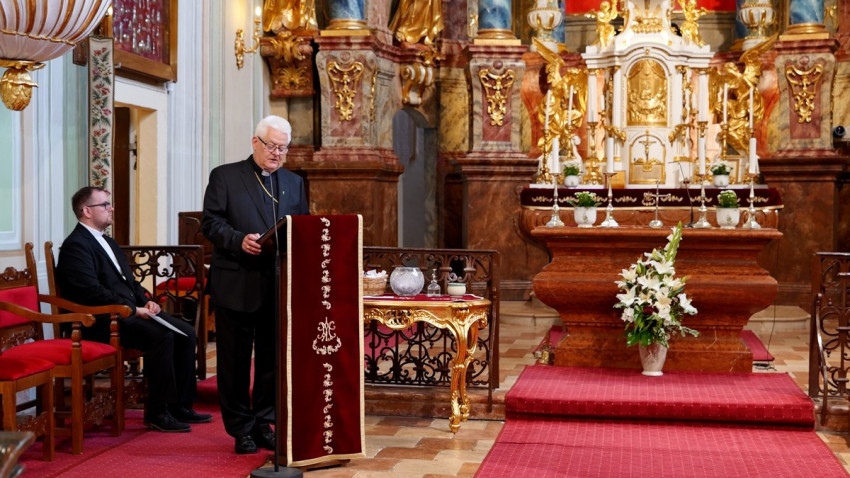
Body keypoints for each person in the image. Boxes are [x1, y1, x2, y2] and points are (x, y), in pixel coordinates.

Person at [57, 186, 210, 433]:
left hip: (126, 313)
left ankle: (180, 405)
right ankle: (158, 412)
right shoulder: (75, 246)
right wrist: (132, 309)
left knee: (186, 333)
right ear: (86, 211)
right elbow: (90, 292)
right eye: (104, 204)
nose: (111, 208)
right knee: (162, 335)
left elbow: (130, 282)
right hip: (99, 320)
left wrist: (147, 300)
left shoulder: (108, 241)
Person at [201, 115, 309, 454]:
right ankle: (240, 429)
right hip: (236, 280)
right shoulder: (225, 176)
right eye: (272, 146)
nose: (277, 153)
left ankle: (264, 422)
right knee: (233, 362)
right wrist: (237, 239)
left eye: (283, 148)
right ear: (255, 142)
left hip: (276, 284)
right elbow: (210, 223)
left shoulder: (293, 182)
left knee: (270, 361)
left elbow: (301, 226)